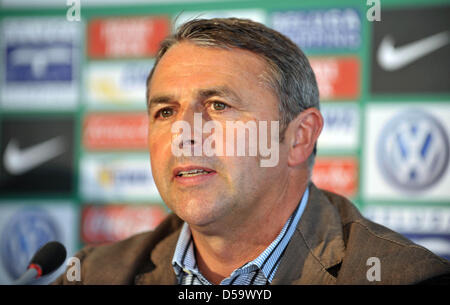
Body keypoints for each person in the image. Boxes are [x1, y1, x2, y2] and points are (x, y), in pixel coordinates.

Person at [54, 18, 450, 285]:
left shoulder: (405, 276)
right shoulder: (94, 274)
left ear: (299, 137)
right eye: (166, 111)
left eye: (218, 106)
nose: (183, 135)